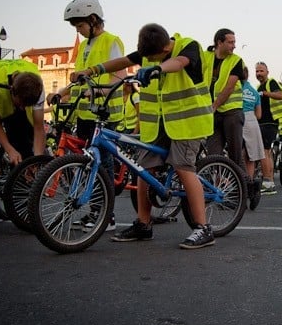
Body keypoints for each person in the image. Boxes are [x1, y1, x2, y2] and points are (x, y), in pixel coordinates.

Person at [72, 24, 215, 249]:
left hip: (188, 123)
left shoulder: (189, 47)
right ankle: (143, 224)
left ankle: (203, 228)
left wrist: (158, 69)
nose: (150, 61)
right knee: (142, 169)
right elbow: (123, 62)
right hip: (157, 124)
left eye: (155, 59)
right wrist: (92, 70)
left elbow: (178, 63)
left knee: (183, 167)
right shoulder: (149, 52)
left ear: (166, 48)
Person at [49, 0, 127, 230]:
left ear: (93, 20)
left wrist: (97, 92)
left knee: (104, 166)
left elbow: (119, 77)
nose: (79, 31)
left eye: (80, 26)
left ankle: (107, 216)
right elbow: (80, 81)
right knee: (89, 165)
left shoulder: (111, 41)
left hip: (104, 115)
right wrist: (62, 92)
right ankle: (94, 211)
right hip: (85, 116)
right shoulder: (84, 46)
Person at [0, 59, 46, 165]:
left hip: (17, 91)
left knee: (23, 139)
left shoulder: (38, 88)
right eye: (21, 104)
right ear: (12, 92)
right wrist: (10, 150)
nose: (23, 108)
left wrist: (35, 161)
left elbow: (38, 127)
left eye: (27, 106)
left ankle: (21, 172)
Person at [205, 29, 245, 169]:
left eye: (234, 42)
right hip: (212, 113)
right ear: (219, 42)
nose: (234, 45)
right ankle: (218, 187)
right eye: (230, 42)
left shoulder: (236, 61)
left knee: (235, 156)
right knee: (213, 156)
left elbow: (229, 87)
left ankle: (245, 187)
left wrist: (214, 106)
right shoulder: (205, 57)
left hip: (231, 112)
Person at [256, 62, 282, 194]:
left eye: (261, 71)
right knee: (267, 152)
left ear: (267, 72)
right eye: (257, 71)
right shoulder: (259, 86)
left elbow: (280, 95)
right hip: (265, 123)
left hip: (269, 123)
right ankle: (269, 180)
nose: (259, 73)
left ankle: (268, 182)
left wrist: (266, 94)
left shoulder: (270, 83)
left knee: (264, 152)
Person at [241, 66, 265, 179]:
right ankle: (249, 182)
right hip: (252, 120)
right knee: (251, 156)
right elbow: (259, 115)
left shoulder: (235, 88)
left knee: (236, 154)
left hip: (237, 118)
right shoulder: (255, 92)